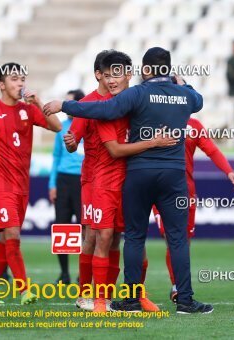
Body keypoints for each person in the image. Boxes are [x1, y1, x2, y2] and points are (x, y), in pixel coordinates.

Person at [44, 47, 213, 314]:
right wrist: (183, 81)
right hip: (170, 175)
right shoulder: (186, 95)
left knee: (132, 237)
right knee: (176, 238)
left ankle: (131, 298)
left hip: (137, 174)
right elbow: (199, 100)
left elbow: (106, 108)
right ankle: (184, 300)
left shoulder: (136, 94)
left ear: (143, 71)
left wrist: (63, 105)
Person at [88, 51, 175, 312]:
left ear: (129, 75)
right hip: (104, 182)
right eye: (108, 75)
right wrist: (153, 143)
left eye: (118, 74)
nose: (113, 80)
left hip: (133, 182)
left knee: (136, 240)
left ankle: (138, 295)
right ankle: (100, 300)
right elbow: (114, 150)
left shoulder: (139, 103)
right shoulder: (106, 109)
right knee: (104, 237)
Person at [0, 63, 61, 305]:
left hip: (22, 185)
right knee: (13, 234)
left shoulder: (28, 110)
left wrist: (39, 102)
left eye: (22, 79)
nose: (20, 83)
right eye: (14, 79)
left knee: (6, 240)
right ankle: (24, 290)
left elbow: (57, 127)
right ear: (2, 85)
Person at [153, 116, 234, 303]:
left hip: (186, 191)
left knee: (184, 241)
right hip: (158, 189)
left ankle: (179, 285)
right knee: (171, 237)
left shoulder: (194, 126)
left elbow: (212, 150)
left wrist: (228, 170)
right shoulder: (154, 117)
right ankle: (177, 286)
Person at [63, 50, 113, 311]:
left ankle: (107, 294)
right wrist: (71, 143)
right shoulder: (86, 105)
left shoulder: (123, 101)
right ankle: (85, 294)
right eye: (109, 73)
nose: (115, 78)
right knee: (94, 235)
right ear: (98, 75)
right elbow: (72, 143)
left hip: (119, 180)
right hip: (93, 179)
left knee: (114, 236)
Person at [49, 89, 85, 285]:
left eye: (70, 103)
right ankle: (64, 273)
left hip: (82, 181)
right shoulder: (61, 128)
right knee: (62, 228)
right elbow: (56, 157)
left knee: (84, 229)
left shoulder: (89, 124)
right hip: (63, 180)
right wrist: (52, 183)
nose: (66, 107)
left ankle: (83, 273)